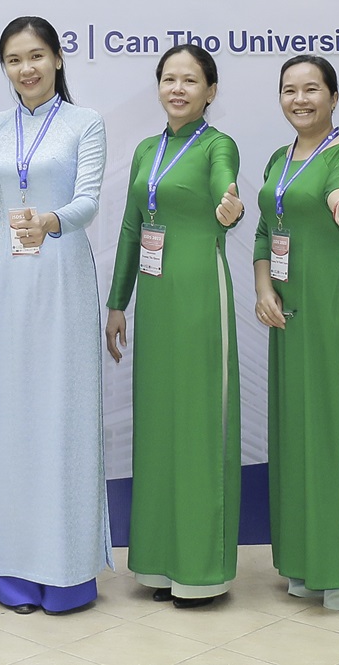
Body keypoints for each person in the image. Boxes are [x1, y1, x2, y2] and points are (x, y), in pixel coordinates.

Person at [0, 16, 109, 615]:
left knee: (61, 412)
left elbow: (88, 201)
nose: (25, 68)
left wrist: (49, 221)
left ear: (57, 58)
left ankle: (65, 572)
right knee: (8, 416)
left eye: (35, 56)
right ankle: (11, 572)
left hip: (62, 276)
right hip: (9, 281)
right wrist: (21, 235)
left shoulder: (85, 122)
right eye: (13, 59)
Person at [105, 44, 245, 609]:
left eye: (190, 80)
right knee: (160, 427)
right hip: (156, 302)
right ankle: (160, 564)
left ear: (211, 91)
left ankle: (200, 568)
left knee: (198, 425)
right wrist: (118, 302)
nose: (178, 89)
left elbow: (226, 187)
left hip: (198, 296)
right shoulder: (147, 149)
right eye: (169, 79)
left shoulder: (217, 145)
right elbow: (132, 228)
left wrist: (230, 207)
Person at [252, 55, 339, 610]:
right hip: (288, 311)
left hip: (337, 304)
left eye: (312, 89)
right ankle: (309, 562)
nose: (300, 99)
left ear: (334, 98)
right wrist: (263, 287)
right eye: (290, 90)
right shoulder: (278, 158)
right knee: (300, 434)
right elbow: (265, 231)